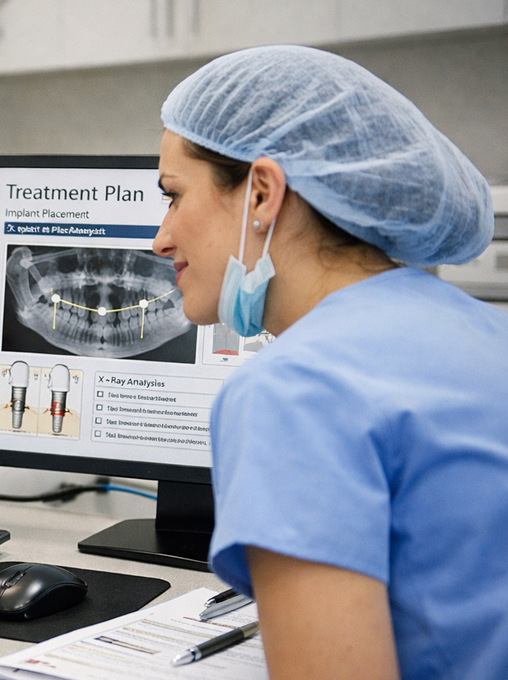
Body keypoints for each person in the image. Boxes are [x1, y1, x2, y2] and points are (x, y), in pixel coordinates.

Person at [151, 45, 508, 679]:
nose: (161, 238)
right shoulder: (488, 331)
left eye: (173, 196)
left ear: (262, 193)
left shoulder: (297, 389)